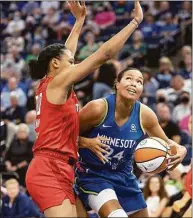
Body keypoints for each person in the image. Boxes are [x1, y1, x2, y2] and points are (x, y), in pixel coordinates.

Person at [26, 1, 144, 217]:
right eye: (71, 62)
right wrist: (134, 22)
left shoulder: (52, 82)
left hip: (62, 168)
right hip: (49, 169)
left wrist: (79, 21)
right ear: (55, 63)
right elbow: (104, 55)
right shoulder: (58, 82)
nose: (74, 63)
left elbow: (67, 51)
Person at [75, 68, 187, 217]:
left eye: (139, 81)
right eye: (129, 78)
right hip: (94, 175)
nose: (134, 84)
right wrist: (87, 142)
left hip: (124, 176)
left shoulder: (145, 115)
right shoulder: (97, 108)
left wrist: (181, 149)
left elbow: (167, 143)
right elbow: (63, 136)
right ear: (117, 83)